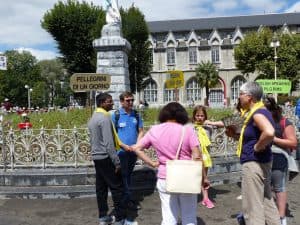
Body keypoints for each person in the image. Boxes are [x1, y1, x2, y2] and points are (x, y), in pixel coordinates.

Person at [132, 102, 209, 225]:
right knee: (189, 216)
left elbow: (137, 148)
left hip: (165, 176)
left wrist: (152, 163)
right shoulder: (187, 130)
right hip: (187, 178)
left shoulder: (154, 130)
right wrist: (204, 178)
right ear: (182, 115)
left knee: (168, 217)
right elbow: (197, 157)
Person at [225, 81, 281, 225]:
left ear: (249, 97)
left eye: (241, 94)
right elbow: (256, 135)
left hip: (254, 163)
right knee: (266, 201)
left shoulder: (257, 113)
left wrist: (257, 147)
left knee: (252, 207)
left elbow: (269, 132)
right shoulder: (261, 111)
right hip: (264, 162)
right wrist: (235, 136)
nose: (239, 97)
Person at [88, 92, 127, 225]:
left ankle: (103, 217)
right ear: (102, 103)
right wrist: (116, 161)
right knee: (117, 188)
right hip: (106, 157)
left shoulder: (93, 117)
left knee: (101, 188)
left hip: (97, 157)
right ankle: (120, 218)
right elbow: (109, 144)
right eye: (109, 101)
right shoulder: (104, 119)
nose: (112, 103)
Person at [264, 97, 297, 225]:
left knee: (279, 188)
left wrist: (273, 139)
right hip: (261, 157)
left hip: (278, 157)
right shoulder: (259, 121)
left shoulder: (284, 122)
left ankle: (281, 217)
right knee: (262, 188)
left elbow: (293, 143)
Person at [111, 91, 144, 213]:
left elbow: (141, 131)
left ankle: (125, 199)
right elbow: (113, 134)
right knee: (122, 175)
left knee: (129, 174)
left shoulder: (136, 115)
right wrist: (122, 145)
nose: (130, 102)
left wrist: (137, 144)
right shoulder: (116, 115)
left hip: (133, 151)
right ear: (121, 102)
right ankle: (125, 201)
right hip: (121, 151)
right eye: (127, 100)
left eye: (132, 100)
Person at [192, 105, 224, 209]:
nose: (200, 118)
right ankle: (191, 198)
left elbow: (224, 124)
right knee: (194, 177)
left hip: (205, 156)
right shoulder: (191, 127)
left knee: (204, 177)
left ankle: (205, 198)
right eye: (197, 115)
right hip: (193, 156)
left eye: (202, 116)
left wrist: (211, 122)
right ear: (194, 116)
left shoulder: (208, 127)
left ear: (205, 117)